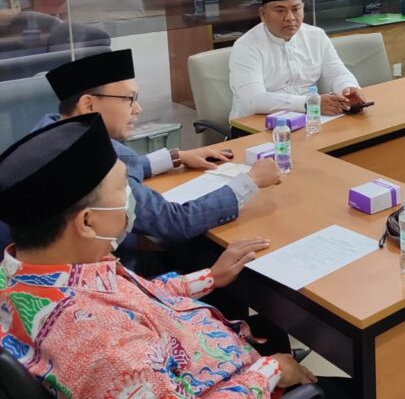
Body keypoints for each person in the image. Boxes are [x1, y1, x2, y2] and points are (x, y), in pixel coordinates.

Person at [0, 114, 321, 397]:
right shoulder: (106, 349)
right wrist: (271, 371)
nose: (132, 196)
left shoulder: (32, 271)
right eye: (123, 186)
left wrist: (210, 277)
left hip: (202, 352)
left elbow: (134, 298)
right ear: (86, 222)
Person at [0, 49, 283, 269]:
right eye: (129, 99)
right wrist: (251, 180)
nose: (138, 109)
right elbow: (176, 222)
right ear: (88, 104)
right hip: (116, 275)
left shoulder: (57, 131)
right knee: (219, 258)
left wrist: (176, 156)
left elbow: (123, 162)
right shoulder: (78, 162)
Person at [230, 0, 369, 119]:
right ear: (263, 14)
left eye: (296, 9)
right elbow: (255, 100)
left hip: (309, 120)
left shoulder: (316, 36)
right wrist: (311, 103)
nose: (290, 18)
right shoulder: (246, 47)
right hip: (256, 126)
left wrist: (348, 89)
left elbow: (338, 73)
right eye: (280, 10)